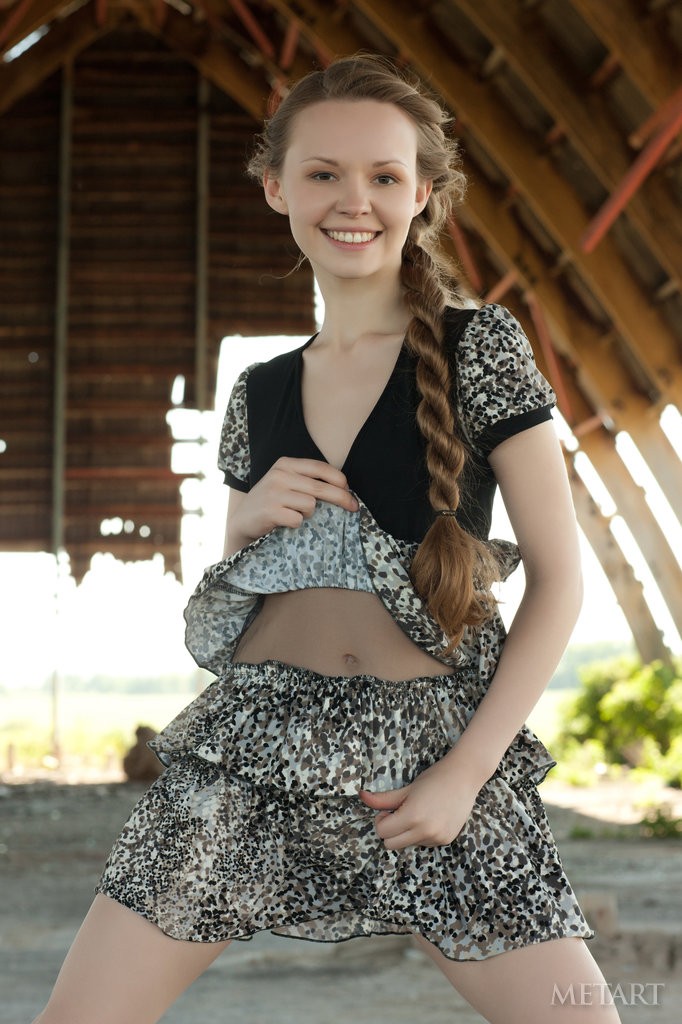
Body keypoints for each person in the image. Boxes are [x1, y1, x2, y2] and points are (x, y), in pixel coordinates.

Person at [34, 55, 623, 1024]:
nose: (355, 201)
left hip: (432, 751)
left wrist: (465, 775)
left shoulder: (481, 347)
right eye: (323, 173)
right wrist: (246, 517)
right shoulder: (258, 393)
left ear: (421, 193)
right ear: (276, 186)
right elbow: (234, 594)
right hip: (254, 745)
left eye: (384, 175)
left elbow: (560, 583)